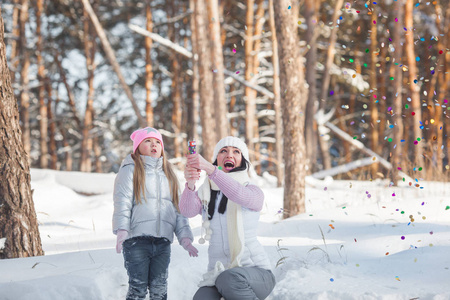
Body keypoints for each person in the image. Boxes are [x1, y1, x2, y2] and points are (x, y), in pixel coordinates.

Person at [180, 136, 276, 300]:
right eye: (223, 151)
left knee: (230, 279)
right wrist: (190, 184)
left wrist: (211, 170)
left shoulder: (252, 191)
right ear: (217, 159)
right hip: (218, 275)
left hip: (256, 274)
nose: (229, 155)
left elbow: (237, 194)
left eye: (236, 152)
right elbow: (187, 210)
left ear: (243, 160)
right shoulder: (207, 192)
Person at [113, 127, 198, 300]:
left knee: (160, 289)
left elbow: (178, 210)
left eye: (158, 142)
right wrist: (122, 230)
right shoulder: (130, 170)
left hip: (162, 243)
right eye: (148, 141)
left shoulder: (170, 175)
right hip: (136, 241)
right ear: (137, 147)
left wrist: (185, 237)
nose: (154, 144)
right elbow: (122, 201)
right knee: (138, 288)